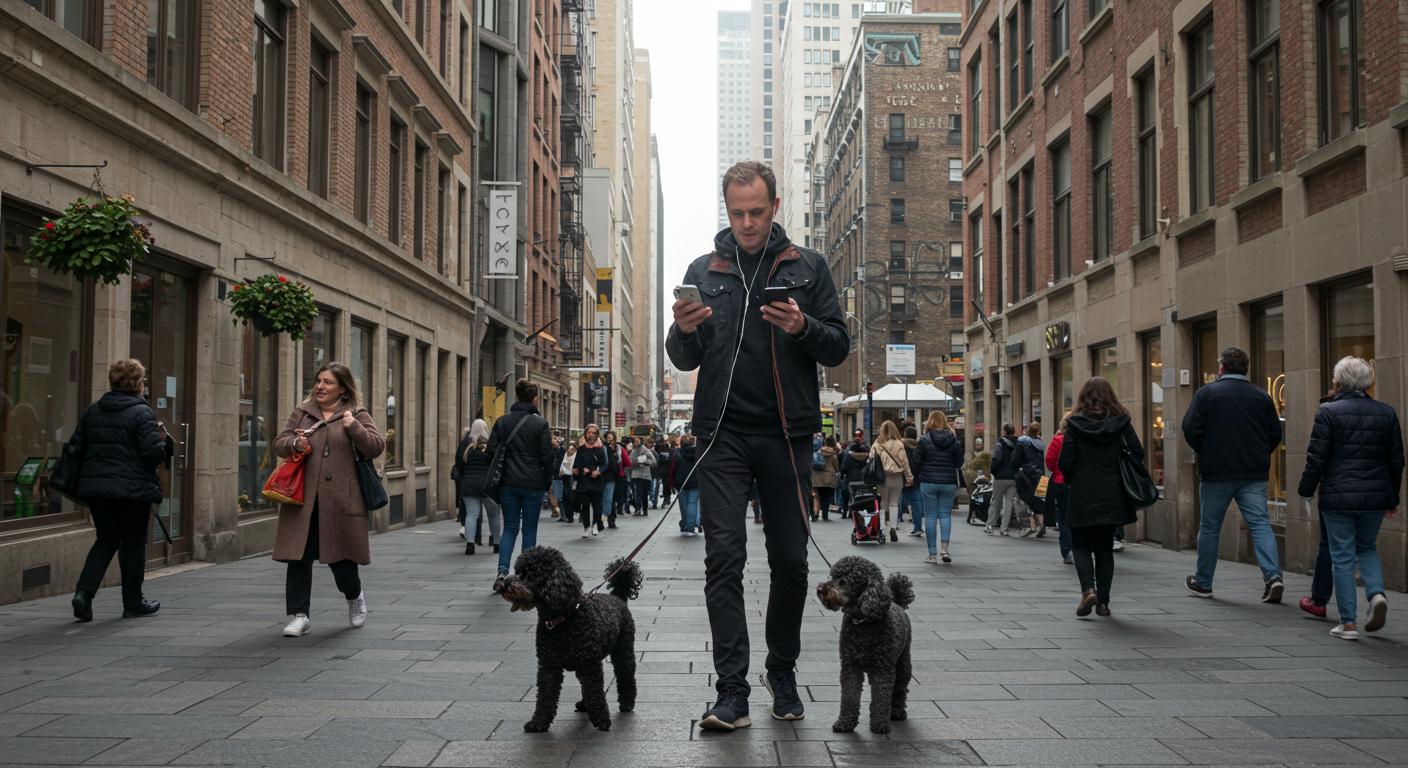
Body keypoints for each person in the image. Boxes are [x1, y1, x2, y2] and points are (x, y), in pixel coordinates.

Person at [666, 159, 849, 730]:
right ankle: (731, 690)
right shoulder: (707, 269)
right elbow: (682, 357)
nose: (746, 223)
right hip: (720, 437)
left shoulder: (808, 267)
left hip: (787, 435)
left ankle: (783, 670)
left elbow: (838, 346)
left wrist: (803, 328)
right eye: (737, 212)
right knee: (724, 558)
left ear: (775, 207)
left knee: (791, 563)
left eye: (756, 211)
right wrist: (685, 329)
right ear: (728, 210)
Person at [272, 362, 385, 637]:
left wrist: (354, 427)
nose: (320, 387)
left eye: (328, 382)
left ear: (343, 388)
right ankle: (300, 616)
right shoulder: (303, 411)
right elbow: (279, 441)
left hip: (340, 501)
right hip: (303, 501)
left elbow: (376, 446)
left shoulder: (356, 413)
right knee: (299, 557)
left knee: (342, 560)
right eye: (319, 381)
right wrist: (294, 444)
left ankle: (355, 596)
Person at [1297, 356, 1404, 640]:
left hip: (1339, 495)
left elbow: (1316, 458)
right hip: (1376, 496)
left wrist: (1305, 490)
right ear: (1368, 383)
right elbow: (1396, 460)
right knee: (1366, 547)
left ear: (1338, 382)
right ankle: (1376, 594)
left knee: (1342, 556)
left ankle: (1348, 623)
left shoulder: (1328, 411)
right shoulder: (1387, 412)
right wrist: (1392, 497)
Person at [70, 359, 175, 622]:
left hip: (98, 488)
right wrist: (165, 442)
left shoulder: (92, 410)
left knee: (106, 539)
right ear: (138, 384)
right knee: (133, 544)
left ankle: (83, 593)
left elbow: (77, 447)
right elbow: (153, 455)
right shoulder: (143, 412)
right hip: (132, 489)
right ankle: (132, 603)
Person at [1181, 347, 1285, 602]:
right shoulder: (1261, 396)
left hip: (1217, 471)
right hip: (1254, 473)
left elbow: (1190, 428)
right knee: (1260, 524)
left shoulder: (1207, 393)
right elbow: (1275, 434)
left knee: (1210, 528)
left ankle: (1204, 583)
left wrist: (1206, 450)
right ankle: (1273, 576)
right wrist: (1259, 452)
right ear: (1245, 369)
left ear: (1222, 368)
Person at [1058, 377, 1143, 618]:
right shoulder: (1122, 422)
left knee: (1081, 545)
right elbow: (1138, 453)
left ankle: (1088, 591)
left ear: (1083, 397)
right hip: (1113, 492)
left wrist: (1074, 479)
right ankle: (1104, 603)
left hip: (1083, 491)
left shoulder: (1074, 424)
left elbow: (1066, 461)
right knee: (1104, 548)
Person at [486, 378, 555, 576]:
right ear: (534, 400)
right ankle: (526, 574)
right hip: (533, 483)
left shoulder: (502, 422)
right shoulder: (541, 424)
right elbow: (547, 457)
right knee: (530, 529)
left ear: (516, 397)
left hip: (508, 483)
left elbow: (491, 451)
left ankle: (502, 571)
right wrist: (546, 481)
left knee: (510, 527)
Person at [912, 411, 964, 564]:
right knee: (945, 516)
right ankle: (945, 550)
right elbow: (959, 462)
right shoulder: (953, 440)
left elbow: (917, 462)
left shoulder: (924, 440)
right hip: (948, 482)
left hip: (928, 481)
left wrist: (913, 476)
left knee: (930, 516)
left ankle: (932, 554)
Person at [453, 420, 499, 552]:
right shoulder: (491, 447)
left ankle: (470, 543)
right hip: (488, 487)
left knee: (471, 514)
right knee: (493, 515)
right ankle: (496, 543)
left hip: (470, 486)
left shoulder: (467, 448)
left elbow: (460, 465)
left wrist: (466, 477)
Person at [873, 421, 914, 542]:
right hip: (896, 476)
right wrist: (909, 476)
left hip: (882, 477)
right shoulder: (899, 444)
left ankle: (881, 528)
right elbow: (904, 462)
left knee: (882, 504)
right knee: (894, 503)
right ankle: (893, 528)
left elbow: (871, 458)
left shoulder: (877, 444)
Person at [1045, 418, 1074, 565]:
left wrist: (1057, 471)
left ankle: (1068, 551)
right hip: (1079, 483)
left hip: (1060, 481)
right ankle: (1080, 549)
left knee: (1063, 517)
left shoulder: (1058, 439)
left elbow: (1050, 460)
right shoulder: (1081, 439)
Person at [986, 423, 1022, 536]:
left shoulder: (1000, 443)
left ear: (1004, 432)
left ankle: (990, 525)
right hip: (1013, 477)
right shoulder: (1019, 443)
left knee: (996, 501)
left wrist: (994, 472)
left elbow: (996, 458)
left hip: (1000, 477)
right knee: (1009, 503)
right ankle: (1004, 528)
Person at [573, 425, 608, 536]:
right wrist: (579, 469)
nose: (591, 435)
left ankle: (595, 524)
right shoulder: (581, 449)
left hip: (596, 481)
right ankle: (586, 527)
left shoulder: (601, 448)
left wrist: (597, 471)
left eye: (593, 433)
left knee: (597, 506)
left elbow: (604, 464)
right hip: (584, 481)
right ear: (585, 433)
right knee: (585, 505)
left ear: (597, 434)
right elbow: (577, 464)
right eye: (589, 432)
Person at [1014, 422, 1047, 538]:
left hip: (1027, 476)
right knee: (1040, 500)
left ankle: (1030, 525)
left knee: (1026, 501)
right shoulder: (1042, 443)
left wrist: (1017, 469)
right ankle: (1042, 524)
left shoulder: (1023, 442)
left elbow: (1015, 459)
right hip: (1042, 476)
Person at [673, 434, 701, 535]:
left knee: (683, 505)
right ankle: (691, 528)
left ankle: (685, 525)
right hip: (695, 482)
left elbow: (673, 468)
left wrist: (672, 483)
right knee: (692, 504)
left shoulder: (678, 452)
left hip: (681, 482)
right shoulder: (699, 452)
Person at [838, 433, 870, 520]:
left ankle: (845, 512)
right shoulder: (866, 455)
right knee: (859, 496)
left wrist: (842, 473)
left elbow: (844, 467)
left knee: (846, 495)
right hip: (862, 478)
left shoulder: (849, 455)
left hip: (850, 478)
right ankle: (855, 511)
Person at [811, 435, 840, 522]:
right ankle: (825, 515)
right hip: (829, 479)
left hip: (817, 478)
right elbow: (836, 468)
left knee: (817, 496)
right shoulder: (833, 455)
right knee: (826, 498)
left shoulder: (819, 453)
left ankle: (815, 514)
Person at [899, 426, 921, 528]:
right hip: (915, 476)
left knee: (897, 499)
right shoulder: (920, 445)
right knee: (916, 501)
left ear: (905, 434)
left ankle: (897, 520)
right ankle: (917, 526)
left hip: (901, 475)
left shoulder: (900, 445)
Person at [629, 437, 656, 516]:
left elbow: (654, 462)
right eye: (635, 441)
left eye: (638, 441)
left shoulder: (646, 450)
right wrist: (635, 463)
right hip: (636, 474)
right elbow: (630, 461)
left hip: (645, 475)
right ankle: (637, 508)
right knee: (637, 492)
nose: (636, 442)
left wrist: (645, 461)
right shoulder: (633, 451)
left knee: (644, 493)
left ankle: (644, 509)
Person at [558, 441, 577, 524]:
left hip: (573, 478)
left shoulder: (577, 456)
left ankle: (574, 514)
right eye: (570, 446)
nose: (571, 449)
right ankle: (569, 516)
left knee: (572, 496)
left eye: (573, 446)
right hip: (565, 477)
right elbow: (561, 464)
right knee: (566, 496)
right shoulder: (565, 455)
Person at [653, 437, 674, 509]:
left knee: (665, 485)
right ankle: (665, 498)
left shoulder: (668, 450)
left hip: (664, 470)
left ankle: (666, 497)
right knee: (664, 485)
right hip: (662, 470)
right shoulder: (659, 450)